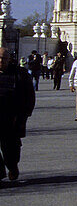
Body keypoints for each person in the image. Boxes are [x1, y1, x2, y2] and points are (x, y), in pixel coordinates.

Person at [0, 47, 35, 182]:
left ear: (10, 59)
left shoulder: (20, 74)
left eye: (4, 58)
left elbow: (29, 96)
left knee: (10, 148)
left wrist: (24, 115)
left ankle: (12, 166)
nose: (1, 61)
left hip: (11, 118)